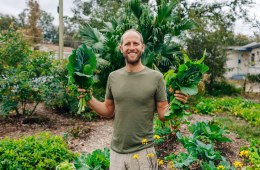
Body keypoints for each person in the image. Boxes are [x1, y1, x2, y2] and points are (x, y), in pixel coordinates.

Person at [78, 29, 188, 170]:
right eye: (127, 43)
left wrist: (178, 103)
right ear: (121, 48)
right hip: (116, 152)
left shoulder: (156, 77)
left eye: (135, 43)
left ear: (142, 47)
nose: (131, 47)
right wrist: (88, 98)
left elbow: (162, 114)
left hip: (143, 151)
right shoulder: (113, 77)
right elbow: (108, 110)